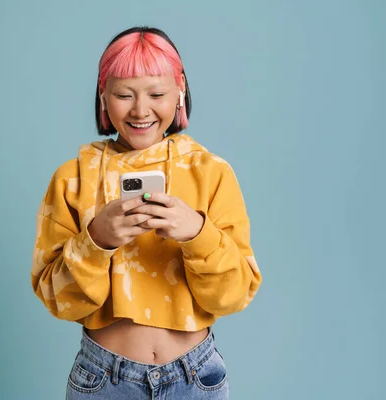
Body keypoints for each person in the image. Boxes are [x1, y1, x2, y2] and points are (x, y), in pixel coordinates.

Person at [31, 26, 262, 400]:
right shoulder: (72, 178)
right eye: (124, 94)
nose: (141, 110)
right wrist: (96, 240)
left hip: (196, 377)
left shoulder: (211, 172)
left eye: (156, 94)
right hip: (104, 378)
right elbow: (58, 300)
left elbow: (233, 296)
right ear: (103, 96)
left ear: (180, 90)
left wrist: (197, 233)